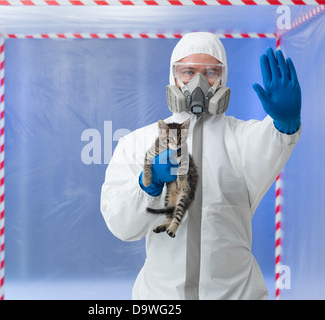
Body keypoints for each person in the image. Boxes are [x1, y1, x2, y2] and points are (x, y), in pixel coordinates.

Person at [100, 32, 301, 300]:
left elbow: (272, 140)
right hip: (161, 297)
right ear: (173, 76)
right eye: (188, 72)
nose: (198, 82)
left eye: (210, 72)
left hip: (236, 293)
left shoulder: (242, 139)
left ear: (223, 77)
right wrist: (148, 184)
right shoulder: (138, 143)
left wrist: (285, 123)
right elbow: (121, 225)